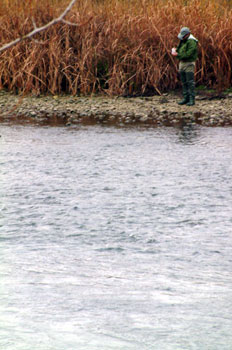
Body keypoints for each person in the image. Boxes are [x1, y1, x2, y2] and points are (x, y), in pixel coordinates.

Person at [171, 27, 198, 106]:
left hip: (189, 63)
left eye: (184, 35)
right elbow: (180, 49)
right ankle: (186, 98)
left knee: (190, 82)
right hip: (182, 63)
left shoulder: (192, 41)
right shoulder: (183, 40)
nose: (182, 37)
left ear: (188, 34)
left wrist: (177, 54)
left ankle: (192, 99)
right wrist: (175, 50)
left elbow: (189, 54)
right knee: (183, 81)